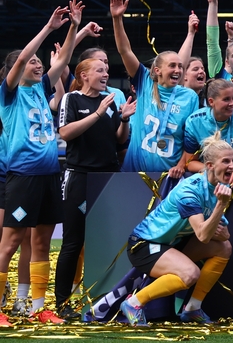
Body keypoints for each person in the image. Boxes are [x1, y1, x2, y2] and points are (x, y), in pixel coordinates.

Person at [0, 0, 84, 325]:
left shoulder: (40, 89)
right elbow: (22, 58)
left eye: (39, 62)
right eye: (33, 62)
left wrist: (74, 26)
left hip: (50, 175)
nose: (38, 65)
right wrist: (49, 27)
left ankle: (38, 308)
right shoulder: (9, 93)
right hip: (23, 176)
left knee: (41, 243)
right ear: (17, 69)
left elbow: (63, 60)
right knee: (9, 244)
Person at [119, 134, 233, 326]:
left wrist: (223, 231)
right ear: (210, 165)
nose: (232, 166)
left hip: (173, 245)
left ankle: (192, 309)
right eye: (226, 161)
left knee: (224, 248)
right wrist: (221, 205)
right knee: (191, 273)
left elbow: (224, 233)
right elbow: (203, 235)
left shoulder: (218, 187)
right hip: (144, 245)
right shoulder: (190, 190)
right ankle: (133, 303)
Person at [55, 58, 136, 319]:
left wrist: (124, 119)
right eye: (100, 70)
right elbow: (65, 133)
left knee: (108, 241)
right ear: (83, 75)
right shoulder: (72, 99)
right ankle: (62, 303)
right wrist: (98, 113)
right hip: (79, 177)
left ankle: (105, 300)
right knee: (73, 242)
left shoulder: (109, 101)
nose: (106, 74)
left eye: (107, 70)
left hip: (107, 177)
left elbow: (118, 139)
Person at [111, 0, 200, 175]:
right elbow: (125, 50)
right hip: (134, 175)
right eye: (172, 66)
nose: (178, 70)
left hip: (170, 177)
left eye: (180, 67)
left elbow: (190, 140)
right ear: (157, 70)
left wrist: (181, 165)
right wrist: (117, 19)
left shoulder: (189, 97)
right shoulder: (145, 83)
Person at [179, 79, 233, 184]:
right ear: (211, 102)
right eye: (226, 99)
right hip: (208, 178)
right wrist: (215, 171)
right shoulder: (194, 122)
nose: (232, 103)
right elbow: (190, 162)